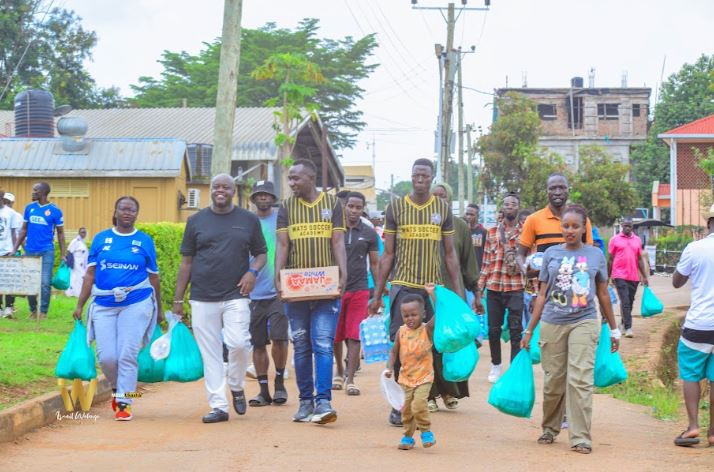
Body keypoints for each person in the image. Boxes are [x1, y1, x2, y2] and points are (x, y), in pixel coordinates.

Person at [369, 158, 464, 427]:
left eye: (424, 175)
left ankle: (421, 399)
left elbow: (449, 254)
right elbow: (387, 254)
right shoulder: (396, 207)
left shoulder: (441, 208)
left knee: (431, 347)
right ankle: (399, 406)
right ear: (411, 177)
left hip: (432, 290)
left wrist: (458, 295)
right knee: (402, 347)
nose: (419, 179)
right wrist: (378, 294)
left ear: (432, 178)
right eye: (415, 175)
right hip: (403, 286)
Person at [521, 204, 620, 455]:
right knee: (554, 381)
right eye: (566, 226)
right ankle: (550, 427)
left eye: (575, 226)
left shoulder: (596, 254)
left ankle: (580, 437)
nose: (570, 230)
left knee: (580, 379)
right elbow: (542, 294)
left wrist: (615, 328)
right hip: (553, 322)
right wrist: (529, 330)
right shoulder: (551, 254)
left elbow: (603, 293)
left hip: (584, 321)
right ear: (561, 227)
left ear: (583, 228)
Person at [174, 174, 267, 424]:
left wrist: (252, 272)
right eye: (216, 187)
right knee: (211, 353)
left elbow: (261, 254)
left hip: (237, 293)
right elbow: (186, 262)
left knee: (238, 343)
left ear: (234, 191)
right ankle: (218, 405)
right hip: (202, 296)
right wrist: (178, 299)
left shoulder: (248, 220)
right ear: (211, 190)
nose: (220, 190)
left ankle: (236, 384)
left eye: (226, 187)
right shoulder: (196, 221)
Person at [71, 196, 162, 421]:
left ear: (136, 214)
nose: (127, 213)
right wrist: (80, 304)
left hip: (136, 302)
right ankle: (117, 389)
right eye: (123, 209)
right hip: (104, 304)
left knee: (127, 354)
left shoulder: (144, 241)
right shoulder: (102, 239)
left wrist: (159, 307)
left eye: (132, 210)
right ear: (116, 211)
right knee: (108, 357)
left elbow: (154, 277)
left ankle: (125, 402)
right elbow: (90, 274)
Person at [275, 159, 347, 424]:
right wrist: (278, 277)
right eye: (290, 178)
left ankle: (323, 401)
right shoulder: (286, 207)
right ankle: (305, 402)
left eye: (296, 178)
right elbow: (283, 246)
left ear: (311, 177)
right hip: (296, 289)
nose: (292, 183)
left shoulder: (332, 204)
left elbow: (338, 242)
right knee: (302, 345)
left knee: (323, 343)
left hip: (326, 288)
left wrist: (343, 273)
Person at [430, 182, 477, 410]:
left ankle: (450, 392)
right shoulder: (422, 224)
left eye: (443, 196)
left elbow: (468, 264)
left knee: (451, 343)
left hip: (452, 293)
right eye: (434, 195)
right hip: (426, 293)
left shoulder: (460, 227)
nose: (439, 200)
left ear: (449, 199)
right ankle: (429, 394)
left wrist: (475, 294)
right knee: (428, 345)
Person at [671, 203, 714, 448]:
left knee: (690, 373)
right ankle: (713, 432)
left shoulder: (695, 248)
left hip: (699, 325)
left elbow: (676, 282)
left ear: (708, 223)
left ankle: (693, 426)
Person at [246, 180, 289, 407]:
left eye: (267, 195)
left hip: (279, 290)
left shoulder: (282, 219)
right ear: (254, 199)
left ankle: (280, 383)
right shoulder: (246, 222)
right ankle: (263, 390)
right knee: (258, 343)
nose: (263, 198)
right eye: (259, 195)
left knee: (280, 339)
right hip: (253, 293)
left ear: (273, 198)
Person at [333, 191, 379, 396]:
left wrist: (377, 292)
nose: (353, 210)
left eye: (358, 207)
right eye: (350, 206)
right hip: (334, 289)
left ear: (363, 209)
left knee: (354, 335)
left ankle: (350, 379)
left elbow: (376, 264)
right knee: (335, 334)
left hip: (360, 289)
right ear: (345, 206)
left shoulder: (369, 232)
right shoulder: (334, 229)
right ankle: (339, 371)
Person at [476, 193, 525, 383]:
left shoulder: (526, 232)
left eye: (513, 204)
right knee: (493, 330)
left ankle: (513, 368)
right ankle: (496, 365)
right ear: (502, 208)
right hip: (494, 286)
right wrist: (479, 289)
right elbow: (486, 261)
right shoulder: (492, 232)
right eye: (506, 204)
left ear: (518, 208)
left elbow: (530, 261)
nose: (510, 206)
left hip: (515, 287)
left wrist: (535, 288)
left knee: (515, 329)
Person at [385, 288, 438, 450]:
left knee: (418, 405)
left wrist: (432, 295)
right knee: (406, 410)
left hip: (424, 377)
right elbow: (393, 352)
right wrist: (389, 368)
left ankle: (426, 431)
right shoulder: (401, 332)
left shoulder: (426, 330)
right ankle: (408, 436)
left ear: (423, 314)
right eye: (406, 315)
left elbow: (440, 314)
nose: (410, 319)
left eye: (414, 314)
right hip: (406, 378)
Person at [11, 182, 66, 318]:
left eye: (35, 190)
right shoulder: (29, 208)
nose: (32, 192)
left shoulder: (55, 211)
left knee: (45, 282)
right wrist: (15, 249)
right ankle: (33, 310)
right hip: (30, 250)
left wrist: (64, 254)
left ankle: (43, 312)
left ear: (43, 193)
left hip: (47, 250)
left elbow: (60, 233)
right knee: (30, 282)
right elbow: (23, 230)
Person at [608, 217, 649, 338]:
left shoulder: (637, 240)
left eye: (629, 226)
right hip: (619, 274)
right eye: (625, 226)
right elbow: (610, 259)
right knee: (625, 301)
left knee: (630, 302)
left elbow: (640, 259)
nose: (627, 228)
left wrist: (644, 276)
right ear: (621, 226)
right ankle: (628, 327)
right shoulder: (614, 240)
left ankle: (623, 322)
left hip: (634, 276)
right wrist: (608, 275)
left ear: (632, 227)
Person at [1, 192, 22, 317]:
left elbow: (15, 233)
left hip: (7, 251)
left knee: (8, 280)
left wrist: (14, 250)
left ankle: (9, 307)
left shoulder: (12, 214)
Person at [65, 227, 89, 297]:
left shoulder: (82, 242)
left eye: (85, 232)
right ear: (79, 233)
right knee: (77, 277)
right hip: (76, 262)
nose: (83, 234)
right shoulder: (76, 241)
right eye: (82, 232)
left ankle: (74, 293)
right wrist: (70, 263)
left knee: (78, 277)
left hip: (82, 263)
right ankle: (74, 293)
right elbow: (69, 251)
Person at [464, 203, 487, 271]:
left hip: (479, 269)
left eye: (472, 214)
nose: (468, 217)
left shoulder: (483, 232)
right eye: (467, 214)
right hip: (464, 270)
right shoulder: (462, 231)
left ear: (477, 216)